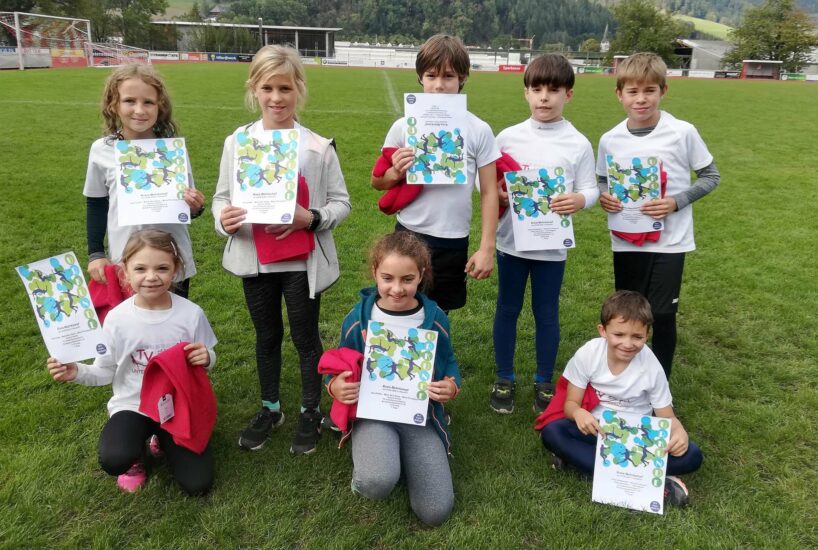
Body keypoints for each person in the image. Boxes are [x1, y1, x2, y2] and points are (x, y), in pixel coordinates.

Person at [212, 45, 351, 455]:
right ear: (253, 89)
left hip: (302, 262)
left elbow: (342, 203)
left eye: (285, 88)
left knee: (306, 337)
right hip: (255, 259)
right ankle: (270, 408)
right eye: (268, 88)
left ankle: (310, 410)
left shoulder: (317, 147)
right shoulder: (238, 142)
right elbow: (221, 197)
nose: (276, 97)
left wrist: (311, 218)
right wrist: (223, 219)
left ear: (299, 89)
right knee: (267, 335)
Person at [45, 229, 218, 495]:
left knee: (198, 483)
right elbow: (105, 371)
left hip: (177, 406)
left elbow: (207, 356)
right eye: (140, 268)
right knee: (115, 458)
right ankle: (136, 456)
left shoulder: (191, 314)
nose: (151, 276)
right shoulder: (117, 319)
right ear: (125, 271)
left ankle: (162, 438)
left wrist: (207, 357)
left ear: (176, 270)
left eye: (162, 268)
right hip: (133, 406)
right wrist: (76, 371)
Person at [597, 52, 720, 379]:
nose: (641, 99)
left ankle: (660, 382)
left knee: (663, 315)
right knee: (628, 315)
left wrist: (676, 202)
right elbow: (602, 180)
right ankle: (624, 379)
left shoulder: (682, 132)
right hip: (627, 240)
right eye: (633, 92)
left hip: (670, 242)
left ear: (663, 91)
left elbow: (711, 176)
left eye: (649, 91)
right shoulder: (610, 139)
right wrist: (605, 197)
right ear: (619, 94)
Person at [490, 54, 599, 415]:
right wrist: (499, 194)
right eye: (536, 89)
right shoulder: (507, 137)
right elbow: (487, 184)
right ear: (526, 93)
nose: (544, 97)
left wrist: (580, 199)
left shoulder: (578, 143)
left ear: (569, 94)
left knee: (546, 313)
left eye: (553, 90)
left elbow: (590, 188)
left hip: (551, 248)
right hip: (511, 243)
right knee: (507, 309)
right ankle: (504, 377)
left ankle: (543, 380)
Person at [327, 232, 460, 526]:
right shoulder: (358, 318)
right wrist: (335, 386)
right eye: (387, 278)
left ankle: (397, 456)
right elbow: (339, 364)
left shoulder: (435, 318)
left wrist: (451, 385)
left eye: (407, 279)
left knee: (436, 512)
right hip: (373, 415)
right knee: (376, 482)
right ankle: (373, 464)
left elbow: (449, 360)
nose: (397, 289)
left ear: (421, 275)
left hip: (418, 416)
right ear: (375, 272)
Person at [371, 34, 500, 312]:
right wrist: (396, 171)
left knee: (439, 315)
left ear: (462, 78)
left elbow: (489, 192)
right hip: (408, 234)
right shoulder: (403, 127)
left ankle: (438, 343)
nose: (439, 85)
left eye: (448, 76)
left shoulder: (478, 130)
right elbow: (377, 182)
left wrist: (487, 247)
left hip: (452, 239)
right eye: (431, 76)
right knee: (400, 307)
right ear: (420, 77)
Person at [540, 290, 703, 506]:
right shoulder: (588, 354)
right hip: (597, 430)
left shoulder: (652, 367)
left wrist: (679, 433)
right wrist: (579, 413)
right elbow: (570, 404)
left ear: (647, 334)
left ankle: (586, 467)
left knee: (692, 455)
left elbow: (668, 418)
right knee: (552, 432)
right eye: (619, 334)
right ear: (603, 331)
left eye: (637, 337)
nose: (627, 344)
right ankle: (649, 479)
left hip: (637, 440)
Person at [84, 64, 205, 298]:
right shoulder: (102, 150)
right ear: (114, 104)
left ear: (160, 106)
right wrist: (96, 254)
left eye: (148, 102)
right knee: (132, 320)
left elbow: (186, 207)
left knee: (174, 319)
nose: (139, 110)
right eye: (130, 101)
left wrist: (195, 207)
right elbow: (96, 203)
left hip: (171, 259)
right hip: (127, 260)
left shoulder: (172, 150)